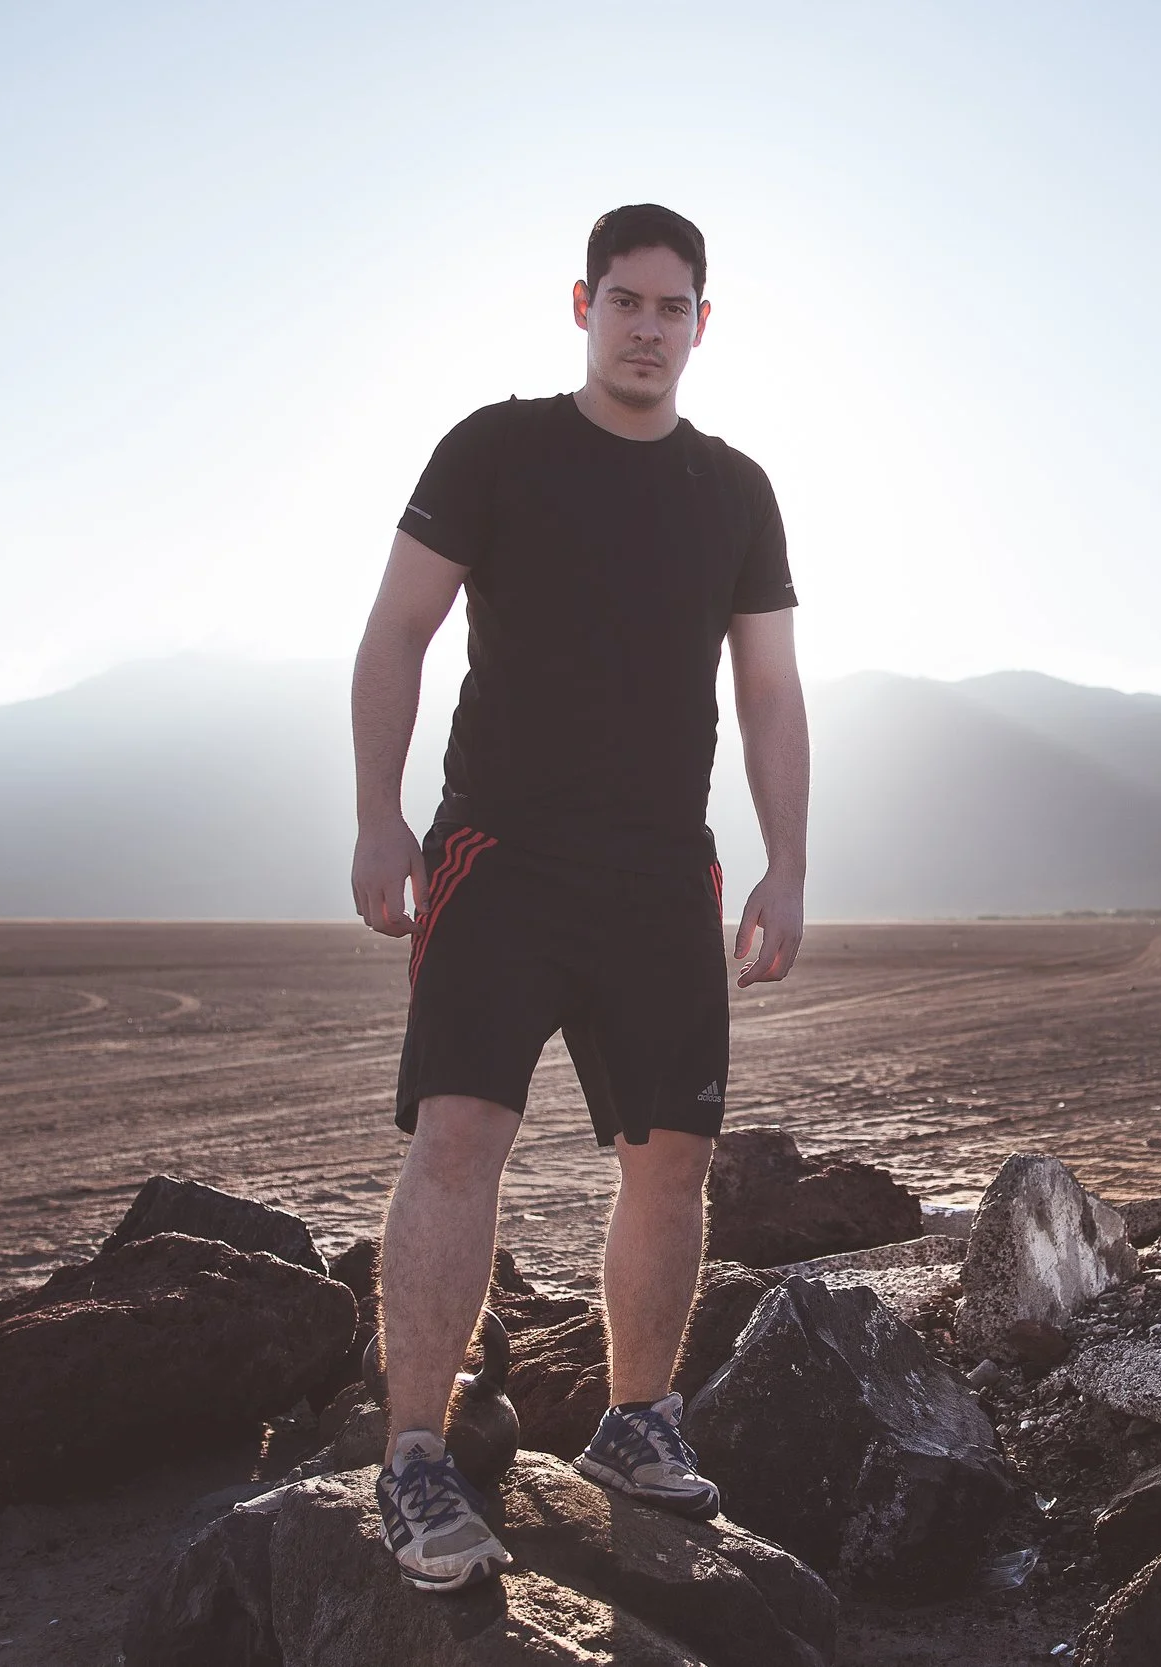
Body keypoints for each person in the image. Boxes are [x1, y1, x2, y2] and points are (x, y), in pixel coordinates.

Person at [346, 204, 808, 1592]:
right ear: (583, 306)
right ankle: (416, 1454)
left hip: (665, 865)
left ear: (702, 324)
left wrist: (787, 859)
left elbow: (771, 692)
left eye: (673, 307)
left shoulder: (736, 491)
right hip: (503, 852)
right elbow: (396, 632)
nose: (648, 327)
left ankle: (637, 1419)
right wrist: (380, 815)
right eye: (626, 301)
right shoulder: (497, 449)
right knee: (460, 1132)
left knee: (675, 1158)